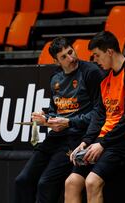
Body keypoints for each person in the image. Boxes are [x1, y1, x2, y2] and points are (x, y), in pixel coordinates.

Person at [14, 37, 104, 203]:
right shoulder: (55, 78)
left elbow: (99, 112)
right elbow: (55, 110)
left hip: (76, 137)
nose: (71, 58)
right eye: (64, 57)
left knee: (45, 184)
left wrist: (69, 122)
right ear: (56, 61)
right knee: (23, 180)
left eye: (70, 52)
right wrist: (45, 118)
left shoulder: (91, 72)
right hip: (55, 137)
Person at [64, 31, 125, 203]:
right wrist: (85, 142)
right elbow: (99, 116)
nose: (96, 61)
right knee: (72, 182)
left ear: (109, 51)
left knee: (92, 182)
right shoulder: (105, 80)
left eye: (97, 55)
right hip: (104, 139)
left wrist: (103, 143)